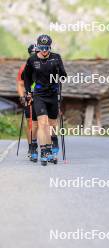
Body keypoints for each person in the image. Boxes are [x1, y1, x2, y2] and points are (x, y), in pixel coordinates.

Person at [24, 34, 67, 166]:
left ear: (50, 47)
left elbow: (64, 76)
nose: (44, 50)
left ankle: (53, 144)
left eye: (47, 47)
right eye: (42, 47)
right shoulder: (32, 60)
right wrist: (28, 91)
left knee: (53, 125)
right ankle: (44, 151)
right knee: (43, 123)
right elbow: (26, 77)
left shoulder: (56, 58)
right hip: (39, 95)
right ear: (38, 47)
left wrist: (60, 75)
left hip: (52, 95)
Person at [16, 44, 38, 158]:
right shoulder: (24, 68)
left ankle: (45, 145)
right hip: (29, 97)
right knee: (30, 123)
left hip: (42, 96)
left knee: (42, 123)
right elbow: (20, 84)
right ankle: (31, 147)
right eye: (32, 54)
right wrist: (21, 97)